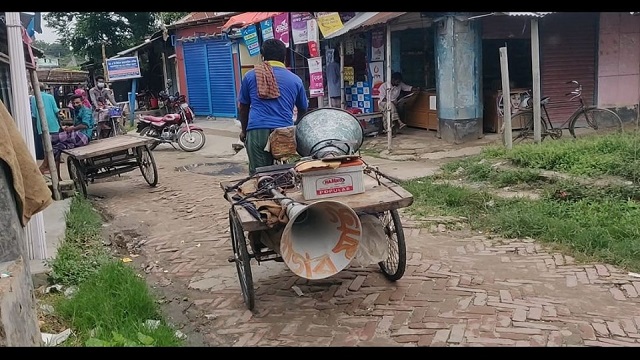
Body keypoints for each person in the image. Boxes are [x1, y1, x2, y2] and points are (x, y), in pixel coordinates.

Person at [238, 38, 309, 175]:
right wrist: (295, 125)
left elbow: (243, 108)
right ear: (284, 57)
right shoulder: (295, 79)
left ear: (262, 55)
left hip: (257, 131)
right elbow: (303, 108)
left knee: (260, 176)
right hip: (284, 130)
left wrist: (244, 131)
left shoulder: (250, 76)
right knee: (285, 174)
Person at [50, 94, 94, 182]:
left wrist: (71, 128)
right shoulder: (75, 112)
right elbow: (76, 125)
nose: (75, 104)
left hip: (83, 136)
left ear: (82, 102)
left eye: (77, 102)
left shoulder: (86, 111)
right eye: (73, 103)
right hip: (76, 137)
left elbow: (84, 125)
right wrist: (68, 128)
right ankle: (57, 176)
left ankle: (45, 166)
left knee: (51, 139)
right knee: (57, 148)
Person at [30, 83, 62, 175]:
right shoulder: (50, 97)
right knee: (55, 148)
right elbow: (56, 111)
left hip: (41, 126)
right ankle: (51, 168)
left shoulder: (33, 99)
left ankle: (46, 165)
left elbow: (34, 115)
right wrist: (60, 123)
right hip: (54, 125)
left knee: (46, 148)